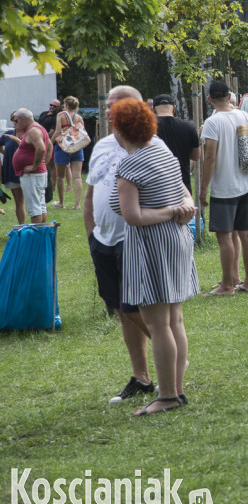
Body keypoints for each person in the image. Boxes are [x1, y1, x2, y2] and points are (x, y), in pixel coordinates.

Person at [108, 98, 199, 416]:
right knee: (174, 320)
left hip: (152, 244)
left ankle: (169, 396)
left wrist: (174, 209)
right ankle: (175, 388)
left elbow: (132, 216)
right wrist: (183, 206)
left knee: (158, 324)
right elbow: (183, 189)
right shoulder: (160, 147)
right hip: (176, 239)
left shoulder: (130, 165)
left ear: (121, 130)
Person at [85, 85, 166, 404]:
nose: (109, 109)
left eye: (117, 103)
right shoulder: (103, 144)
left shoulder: (151, 143)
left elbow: (172, 186)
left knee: (138, 309)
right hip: (103, 240)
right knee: (121, 310)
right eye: (107, 104)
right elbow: (91, 191)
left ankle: (170, 361)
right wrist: (91, 234)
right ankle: (141, 377)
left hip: (135, 239)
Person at [198, 80, 248, 296]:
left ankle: (226, 286)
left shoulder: (213, 122)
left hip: (224, 186)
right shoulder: (243, 115)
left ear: (210, 99)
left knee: (224, 236)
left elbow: (211, 156)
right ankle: (247, 281)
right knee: (246, 233)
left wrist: (204, 187)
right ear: (230, 95)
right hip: (246, 182)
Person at [153, 94, 200, 197]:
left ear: (154, 110)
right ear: (174, 108)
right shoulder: (188, 127)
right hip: (182, 185)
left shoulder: (148, 127)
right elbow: (196, 156)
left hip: (156, 186)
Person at [11, 109, 51, 224]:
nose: (16, 123)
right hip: (37, 173)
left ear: (23, 119)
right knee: (40, 206)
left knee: (34, 208)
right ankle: (41, 235)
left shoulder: (33, 131)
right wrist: (43, 163)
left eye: (16, 120)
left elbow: (42, 148)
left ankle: (36, 238)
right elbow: (50, 147)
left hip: (32, 175)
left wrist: (34, 166)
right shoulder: (39, 128)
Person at [51, 96, 87, 210]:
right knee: (77, 177)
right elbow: (82, 133)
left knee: (60, 176)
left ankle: (61, 202)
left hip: (63, 147)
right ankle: (77, 204)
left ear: (66, 105)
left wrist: (49, 143)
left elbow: (57, 131)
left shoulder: (61, 115)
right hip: (77, 147)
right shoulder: (79, 117)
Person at [2, 116, 26, 223]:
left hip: (28, 171)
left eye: (17, 120)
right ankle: (22, 226)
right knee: (18, 200)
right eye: (13, 121)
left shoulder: (30, 133)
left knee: (33, 202)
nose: (15, 123)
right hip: (12, 171)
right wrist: (6, 154)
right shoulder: (8, 134)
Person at [38, 99, 61, 186]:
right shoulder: (43, 114)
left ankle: (53, 185)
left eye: (54, 106)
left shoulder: (56, 117)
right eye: (51, 105)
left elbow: (52, 131)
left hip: (50, 142)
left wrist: (43, 138)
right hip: (40, 140)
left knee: (52, 164)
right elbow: (38, 125)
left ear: (58, 107)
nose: (52, 107)